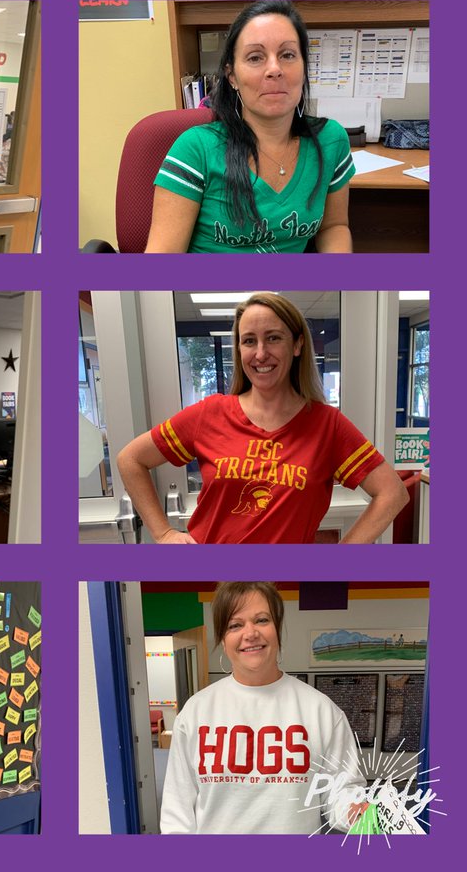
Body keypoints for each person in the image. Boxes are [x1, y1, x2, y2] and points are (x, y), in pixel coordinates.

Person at [116, 293, 408, 544]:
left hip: (287, 584)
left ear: (297, 345)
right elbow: (130, 459)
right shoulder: (210, 413)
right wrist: (164, 533)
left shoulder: (326, 425)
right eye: (248, 341)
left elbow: (392, 493)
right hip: (212, 581)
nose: (260, 353)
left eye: (273, 338)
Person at [146, 0, 353, 253]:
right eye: (255, 57)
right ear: (232, 76)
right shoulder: (195, 149)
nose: (274, 69)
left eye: (288, 55)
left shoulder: (330, 140)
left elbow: (334, 226)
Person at [161, 582, 367, 832]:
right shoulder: (195, 713)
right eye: (235, 625)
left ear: (277, 630)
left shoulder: (322, 711)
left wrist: (357, 812)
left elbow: (340, 790)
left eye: (261, 620)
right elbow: (177, 814)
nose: (250, 633)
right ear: (223, 640)